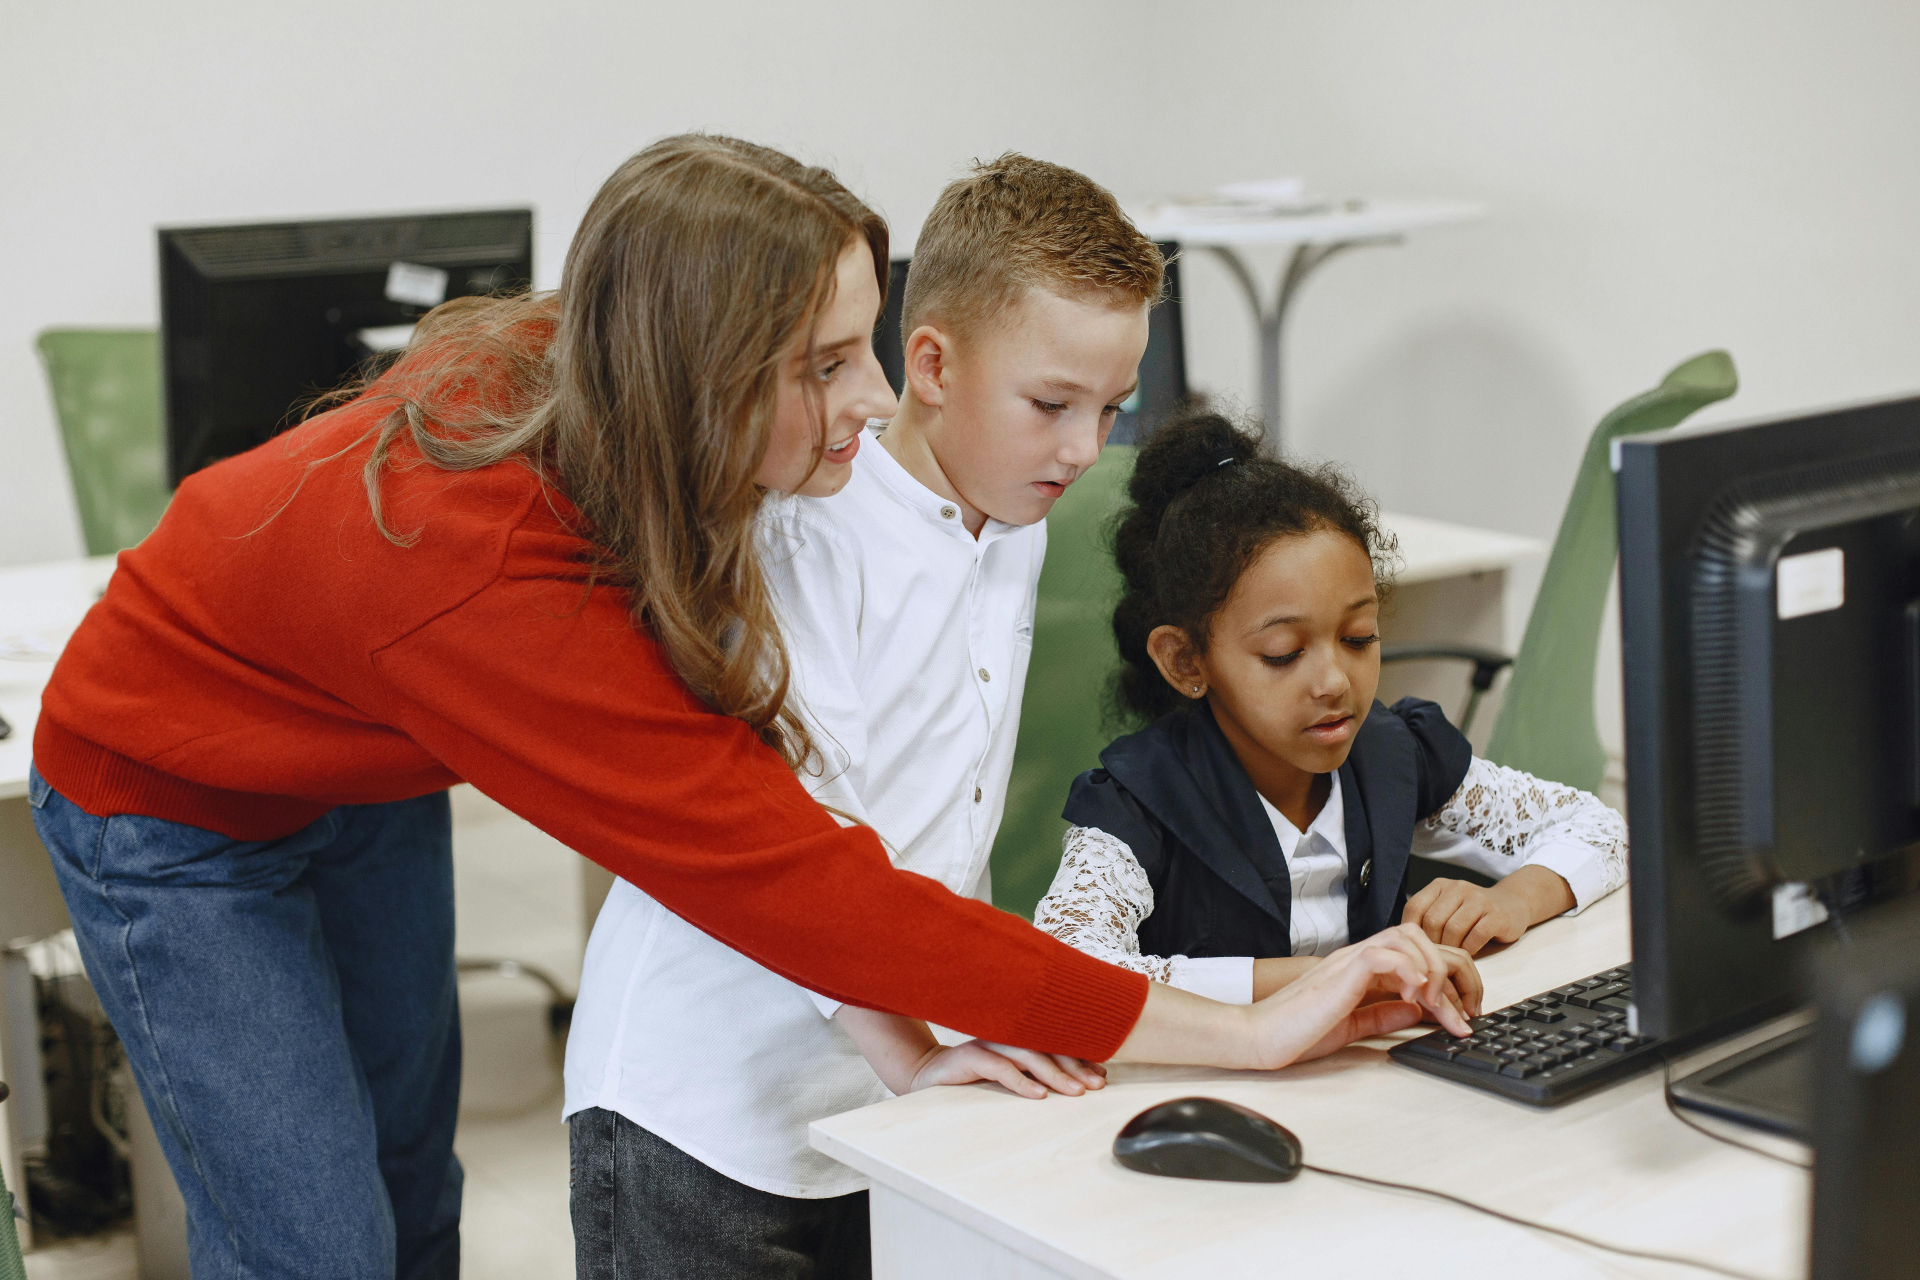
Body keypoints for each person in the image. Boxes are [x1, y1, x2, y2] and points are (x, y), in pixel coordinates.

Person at [28, 135, 1468, 1280]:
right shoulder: (494, 582)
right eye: (826, 366)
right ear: (703, 374)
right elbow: (805, 889)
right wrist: (1241, 1035)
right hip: (167, 793)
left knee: (411, 1186)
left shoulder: (624, 383)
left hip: (355, 754)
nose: (873, 398)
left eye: (863, 341)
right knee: (318, 1245)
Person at [565, 153, 1159, 1278]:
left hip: (876, 1095)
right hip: (702, 1109)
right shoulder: (806, 534)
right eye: (1052, 405)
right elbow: (811, 850)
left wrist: (932, 1050)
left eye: (1110, 408)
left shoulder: (1012, 522)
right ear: (930, 364)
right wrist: (913, 1055)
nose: (1086, 448)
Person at [1035, 410, 1628, 1003]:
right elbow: (1065, 975)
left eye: (1358, 637)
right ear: (1186, 661)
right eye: (1284, 653)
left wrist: (1510, 901)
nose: (1334, 681)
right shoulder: (1139, 805)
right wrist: (1346, 976)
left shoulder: (1393, 754)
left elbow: (1601, 829)